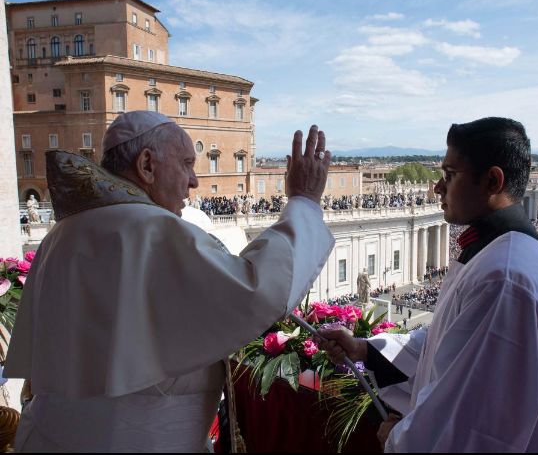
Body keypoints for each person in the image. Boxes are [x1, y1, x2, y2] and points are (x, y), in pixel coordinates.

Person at [4, 111, 335, 452]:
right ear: (147, 165)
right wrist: (304, 203)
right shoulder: (148, 231)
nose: (193, 181)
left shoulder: (63, 232)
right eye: (187, 164)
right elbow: (258, 290)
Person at [318, 117, 538, 452]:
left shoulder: (504, 278)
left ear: (492, 180)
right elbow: (444, 345)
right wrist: (365, 350)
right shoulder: (498, 257)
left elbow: (471, 424)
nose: (437, 188)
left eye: (449, 175)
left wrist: (399, 439)